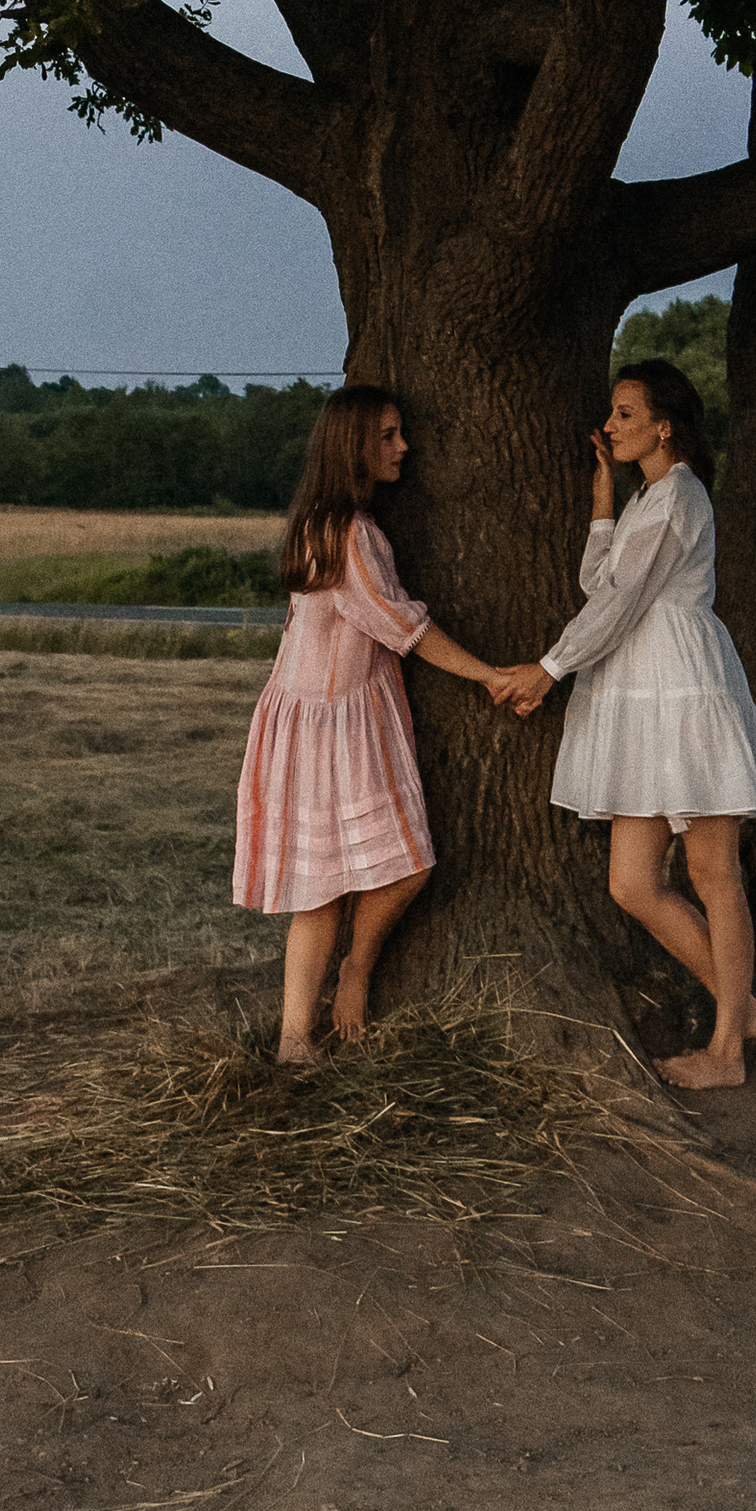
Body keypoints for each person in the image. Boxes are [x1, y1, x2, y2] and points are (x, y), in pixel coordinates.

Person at [487, 358, 756, 1091]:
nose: (611, 425)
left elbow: (620, 606)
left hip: (684, 686)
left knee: (713, 871)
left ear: (665, 426)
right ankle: (744, 1010)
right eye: (613, 413)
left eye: (626, 413)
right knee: (631, 883)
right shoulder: (649, 500)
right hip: (638, 689)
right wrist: (601, 504)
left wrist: (548, 668)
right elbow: (601, 586)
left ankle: (727, 1051)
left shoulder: (681, 496)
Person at [232, 380, 503, 1062]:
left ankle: (306, 1026)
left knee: (339, 883)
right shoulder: (349, 534)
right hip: (329, 727)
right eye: (388, 436)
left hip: (322, 718)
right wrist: (490, 675)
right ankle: (315, 1017)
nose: (404, 447)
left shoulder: (327, 524)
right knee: (393, 869)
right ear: (353, 445)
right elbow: (402, 627)